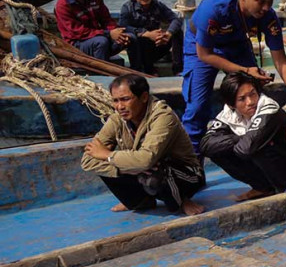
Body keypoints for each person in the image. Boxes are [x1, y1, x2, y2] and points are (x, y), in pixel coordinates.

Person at [181, 0, 286, 152]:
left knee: (255, 96)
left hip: (237, 45)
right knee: (197, 106)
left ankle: (263, 147)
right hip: (202, 47)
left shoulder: (268, 17)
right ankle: (193, 161)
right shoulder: (213, 10)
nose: (266, 8)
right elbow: (204, 54)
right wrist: (246, 70)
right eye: (261, 1)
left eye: (270, 2)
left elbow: (281, 61)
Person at [81, 73, 205, 215]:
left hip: (186, 175)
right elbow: (87, 160)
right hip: (144, 172)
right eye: (115, 101)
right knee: (111, 166)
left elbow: (146, 159)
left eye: (125, 99)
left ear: (144, 97)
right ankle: (139, 202)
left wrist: (109, 155)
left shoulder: (163, 116)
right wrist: (124, 167)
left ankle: (182, 201)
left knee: (154, 168)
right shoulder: (116, 119)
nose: (119, 106)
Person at [200, 72, 286, 200]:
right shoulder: (228, 114)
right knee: (217, 152)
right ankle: (263, 187)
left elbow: (246, 148)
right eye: (242, 99)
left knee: (255, 147)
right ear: (231, 104)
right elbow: (206, 145)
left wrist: (240, 138)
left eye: (253, 94)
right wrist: (238, 138)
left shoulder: (268, 107)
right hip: (259, 157)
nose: (250, 102)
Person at [55, 0, 140, 68]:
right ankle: (103, 76)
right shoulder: (63, 5)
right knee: (101, 42)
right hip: (77, 45)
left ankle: (140, 71)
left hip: (100, 37)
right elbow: (77, 32)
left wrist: (117, 33)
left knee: (130, 37)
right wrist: (109, 34)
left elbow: (107, 20)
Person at [119, 0, 184, 74]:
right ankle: (147, 70)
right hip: (140, 50)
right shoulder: (127, 8)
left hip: (157, 44)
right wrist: (146, 33)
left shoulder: (157, 5)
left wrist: (168, 34)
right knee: (138, 39)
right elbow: (123, 26)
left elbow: (175, 19)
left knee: (177, 32)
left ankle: (178, 69)